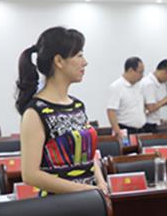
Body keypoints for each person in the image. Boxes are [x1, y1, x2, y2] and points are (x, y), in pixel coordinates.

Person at [16, 26, 108, 195]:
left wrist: (101, 183)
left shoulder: (77, 106)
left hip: (91, 199)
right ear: (59, 61)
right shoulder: (35, 112)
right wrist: (87, 190)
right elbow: (30, 175)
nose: (85, 62)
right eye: (79, 55)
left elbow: (88, 155)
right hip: (59, 204)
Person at [107, 56, 147, 138]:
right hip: (125, 130)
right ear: (130, 70)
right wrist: (118, 132)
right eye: (140, 72)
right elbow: (111, 111)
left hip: (141, 130)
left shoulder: (139, 85)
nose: (142, 76)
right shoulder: (117, 86)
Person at [141, 59, 167, 130]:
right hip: (148, 124)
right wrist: (165, 100)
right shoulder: (149, 84)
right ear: (165, 72)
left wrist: (166, 102)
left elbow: (152, 105)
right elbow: (150, 108)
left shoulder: (152, 83)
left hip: (151, 122)